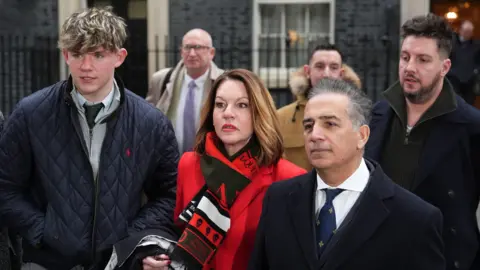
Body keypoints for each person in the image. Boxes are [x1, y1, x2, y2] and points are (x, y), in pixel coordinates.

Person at [0, 6, 179, 269]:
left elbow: (170, 195)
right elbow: (5, 187)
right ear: (65, 55)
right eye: (77, 54)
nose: (86, 66)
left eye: (98, 55)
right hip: (47, 262)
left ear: (120, 57)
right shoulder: (30, 114)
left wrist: (133, 237)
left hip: (120, 263)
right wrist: (44, 231)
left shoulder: (152, 123)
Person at [248, 78, 445, 270]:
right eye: (308, 126)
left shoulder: (415, 219)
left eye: (330, 124)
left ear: (362, 136)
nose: (315, 135)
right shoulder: (278, 199)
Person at [154, 69, 305, 270]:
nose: (228, 113)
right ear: (211, 113)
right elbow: (177, 229)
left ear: (259, 113)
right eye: (220, 105)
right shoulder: (189, 165)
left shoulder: (289, 177)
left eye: (242, 105)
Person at [365, 13, 480, 270]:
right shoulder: (377, 116)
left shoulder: (471, 126)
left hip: (441, 260)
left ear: (445, 67)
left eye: (423, 60)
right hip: (378, 257)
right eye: (405, 57)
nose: (409, 68)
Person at [277, 44, 362, 171]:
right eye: (319, 66)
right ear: (307, 71)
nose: (326, 73)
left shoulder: (357, 117)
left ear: (341, 73)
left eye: (333, 67)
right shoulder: (280, 118)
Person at [146, 28, 224, 154]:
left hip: (210, 163)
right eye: (187, 47)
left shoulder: (224, 82)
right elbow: (147, 122)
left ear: (211, 52)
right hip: (169, 163)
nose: (192, 53)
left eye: (198, 47)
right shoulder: (161, 80)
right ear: (181, 52)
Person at [447, 20, 480, 105]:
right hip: (453, 79)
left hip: (469, 81)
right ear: (460, 30)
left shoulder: (476, 45)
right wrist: (450, 71)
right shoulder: (451, 43)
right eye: (466, 31)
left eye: (470, 31)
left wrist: (475, 71)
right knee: (455, 104)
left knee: (469, 104)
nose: (467, 34)